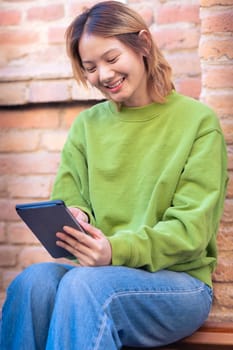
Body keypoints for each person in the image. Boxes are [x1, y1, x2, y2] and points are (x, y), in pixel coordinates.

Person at [0, 1, 228, 349]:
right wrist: (76, 217)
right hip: (99, 274)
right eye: (90, 67)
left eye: (111, 59)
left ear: (143, 45)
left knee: (85, 287)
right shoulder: (87, 126)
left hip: (179, 284)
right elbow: (72, 195)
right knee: (33, 282)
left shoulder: (197, 123)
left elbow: (191, 232)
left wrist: (114, 250)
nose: (103, 75)